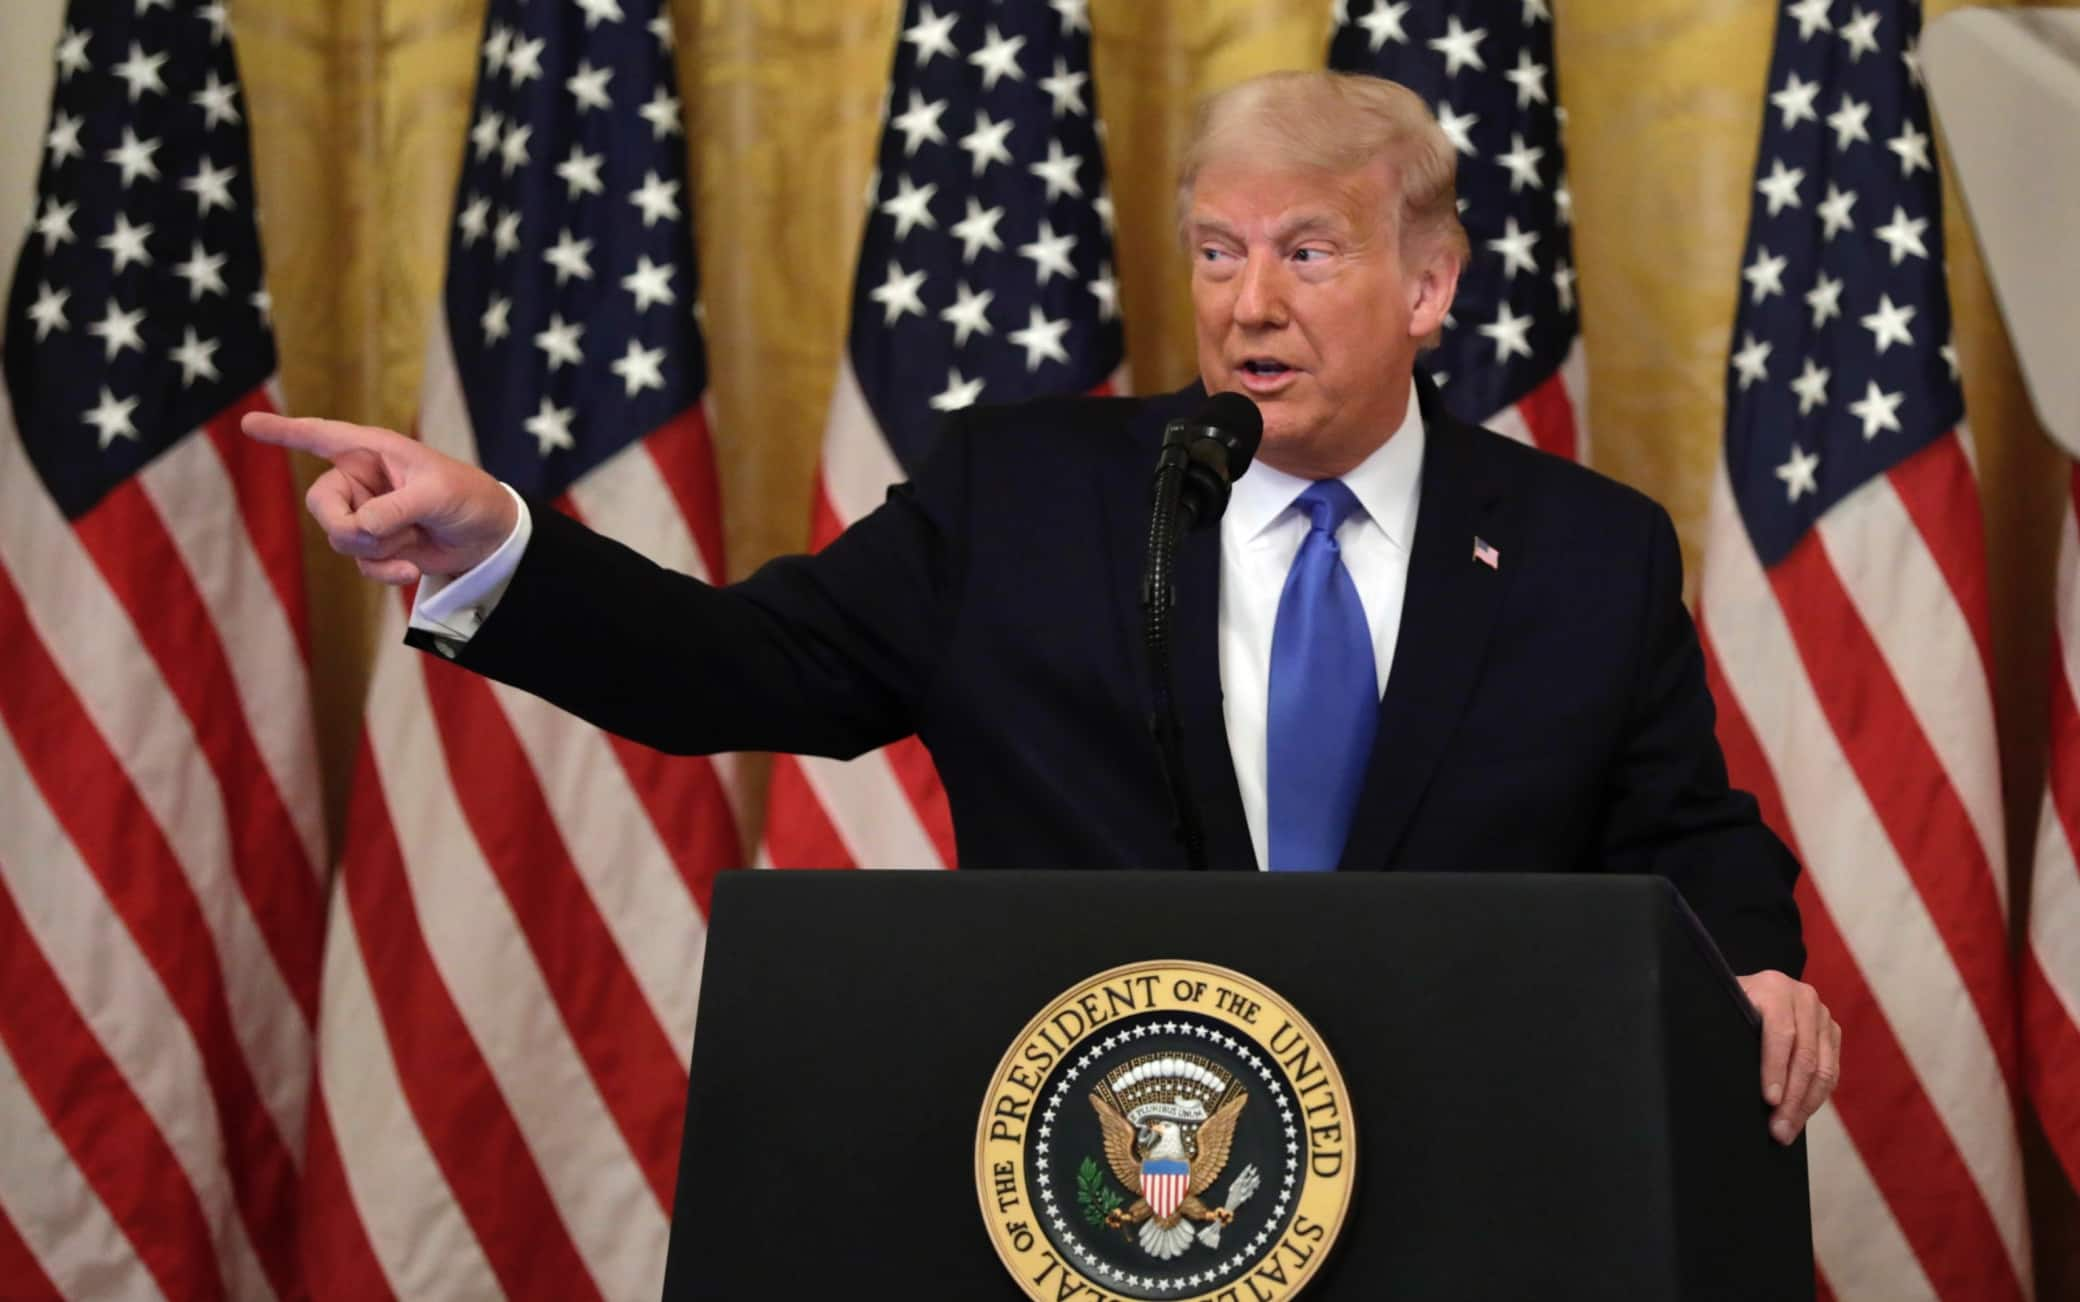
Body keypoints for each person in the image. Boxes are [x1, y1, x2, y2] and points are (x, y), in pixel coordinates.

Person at [246, 70, 1840, 1145]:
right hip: (1098, 1170)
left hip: (1467, 1165)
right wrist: (495, 545)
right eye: (1217, 250)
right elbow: (745, 664)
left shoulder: (1584, 550)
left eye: (1305, 250)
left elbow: (1683, 827)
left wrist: (1756, 965)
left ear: (1428, 286)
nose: (1247, 302)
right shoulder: (1029, 495)